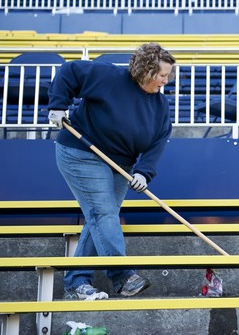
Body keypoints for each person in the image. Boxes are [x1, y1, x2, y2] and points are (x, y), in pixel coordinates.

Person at [47, 42, 175, 300]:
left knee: (101, 216)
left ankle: (75, 281)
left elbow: (159, 140)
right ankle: (123, 276)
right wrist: (58, 105)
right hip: (81, 153)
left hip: (121, 163)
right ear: (146, 71)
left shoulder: (160, 106)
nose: (166, 80)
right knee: (103, 212)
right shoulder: (109, 76)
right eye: (162, 75)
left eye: (168, 75)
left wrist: (144, 172)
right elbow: (69, 71)